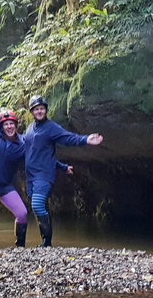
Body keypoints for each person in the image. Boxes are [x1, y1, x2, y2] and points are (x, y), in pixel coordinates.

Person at [0, 76, 68, 249]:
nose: (9, 127)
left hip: (3, 185)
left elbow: (41, 157)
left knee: (22, 213)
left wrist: (62, 167)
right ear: (1, 127)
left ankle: (20, 247)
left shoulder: (24, 143)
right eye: (6, 124)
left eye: (12, 124)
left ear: (16, 125)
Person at [24, 95, 103, 247]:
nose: (39, 111)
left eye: (42, 108)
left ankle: (47, 242)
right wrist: (63, 167)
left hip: (44, 176)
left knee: (37, 205)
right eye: (36, 109)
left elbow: (67, 137)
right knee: (39, 207)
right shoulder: (30, 129)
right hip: (31, 177)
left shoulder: (51, 127)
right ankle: (44, 242)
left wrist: (85, 139)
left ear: (46, 110)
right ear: (32, 111)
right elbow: (41, 155)